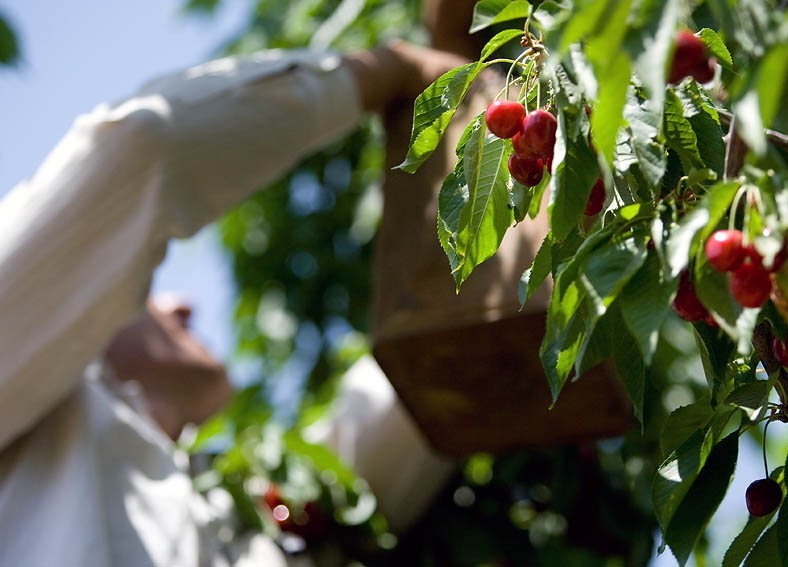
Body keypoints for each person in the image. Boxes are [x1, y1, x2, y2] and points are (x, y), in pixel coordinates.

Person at [0, 39, 464, 566]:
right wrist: (392, 68)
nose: (182, 306)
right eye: (143, 294)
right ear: (77, 322)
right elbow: (140, 153)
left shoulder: (235, 516)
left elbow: (428, 385)